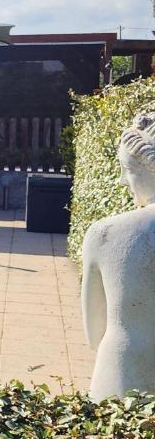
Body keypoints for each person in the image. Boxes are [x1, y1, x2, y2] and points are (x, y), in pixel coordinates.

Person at [82, 112, 155, 399]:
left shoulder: (105, 233)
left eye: (128, 169)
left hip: (121, 377)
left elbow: (94, 332)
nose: (123, 181)